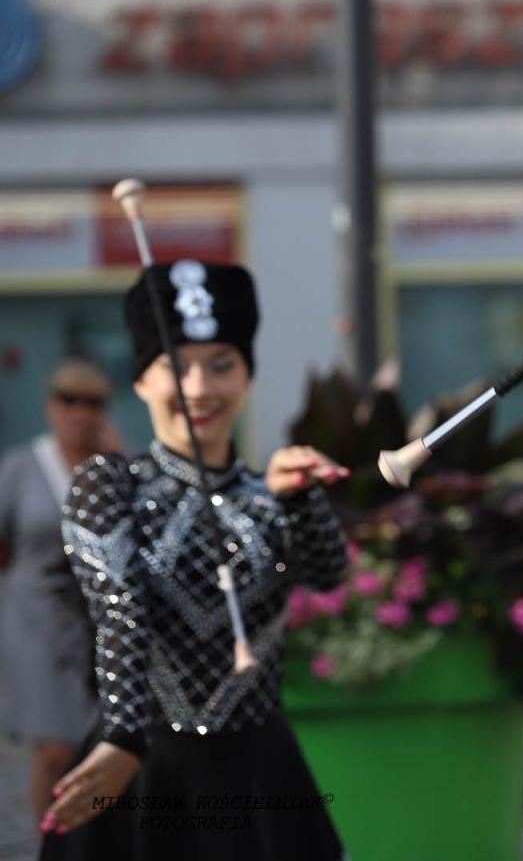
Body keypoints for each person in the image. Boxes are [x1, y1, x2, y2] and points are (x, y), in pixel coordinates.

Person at [38, 260, 351, 861]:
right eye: (175, 367)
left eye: (221, 365)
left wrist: (301, 499)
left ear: (248, 378)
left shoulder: (272, 493)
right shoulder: (109, 487)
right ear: (141, 382)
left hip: (261, 782)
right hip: (140, 775)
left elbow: (328, 573)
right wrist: (123, 737)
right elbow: (119, 612)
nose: (200, 387)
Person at [0, 360, 120, 834]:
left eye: (91, 402)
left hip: (96, 621)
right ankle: (50, 841)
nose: (79, 413)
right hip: (34, 621)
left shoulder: (110, 464)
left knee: (96, 744)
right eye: (68, 400)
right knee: (52, 747)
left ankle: (90, 842)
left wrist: (119, 464)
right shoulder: (21, 468)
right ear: (51, 407)